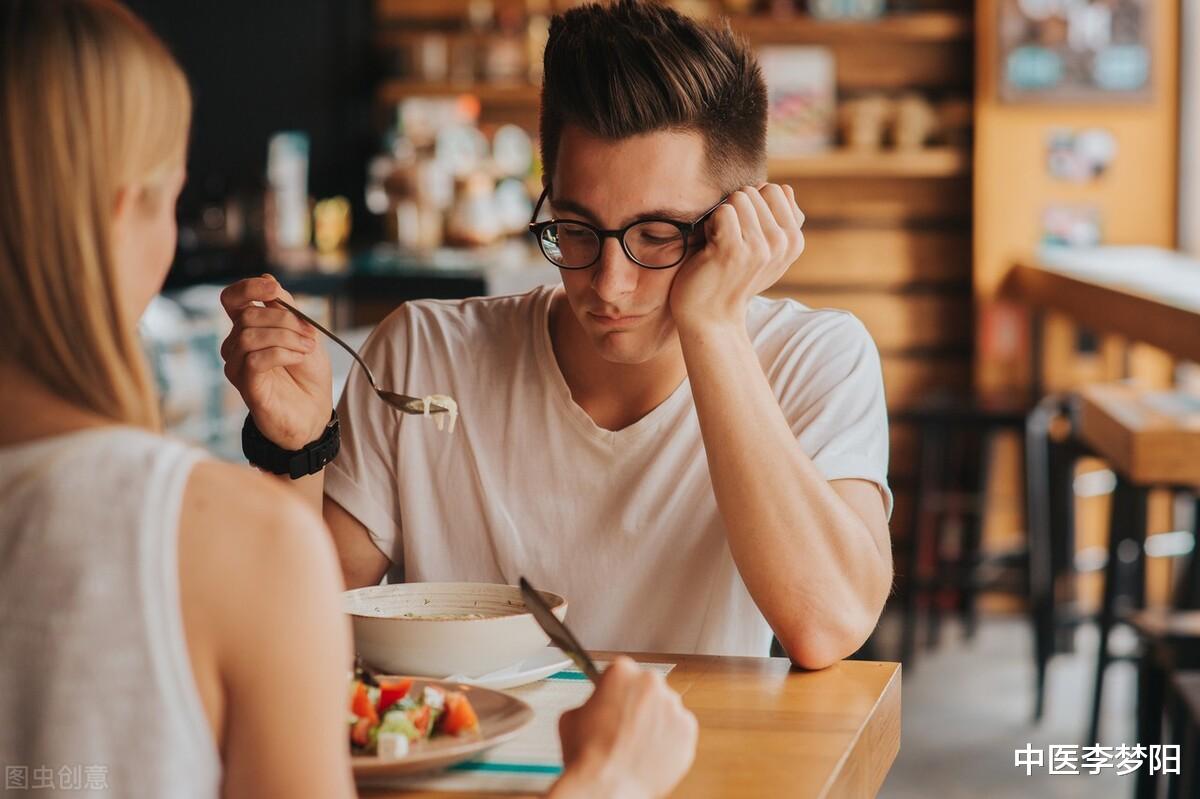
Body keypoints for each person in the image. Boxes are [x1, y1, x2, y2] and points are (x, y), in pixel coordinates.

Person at [0, 1, 696, 797]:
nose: (611, 281)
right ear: (126, 212)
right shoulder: (225, 540)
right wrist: (609, 780)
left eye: (657, 235)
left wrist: (299, 445)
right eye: (173, 198)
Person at [222, 0, 893, 669]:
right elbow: (299, 631)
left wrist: (714, 325)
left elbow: (827, 624)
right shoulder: (423, 353)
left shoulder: (812, 358)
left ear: (736, 226)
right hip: (469, 740)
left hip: (692, 740)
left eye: (656, 235)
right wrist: (295, 447)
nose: (609, 284)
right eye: (575, 229)